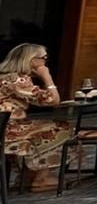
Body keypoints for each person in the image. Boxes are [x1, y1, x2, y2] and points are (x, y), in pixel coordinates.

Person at [0, 43, 71, 188]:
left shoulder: (5, 77)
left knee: (39, 128)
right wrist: (46, 76)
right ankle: (40, 178)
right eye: (43, 58)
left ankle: (27, 176)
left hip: (7, 127)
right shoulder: (18, 80)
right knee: (61, 127)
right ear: (31, 60)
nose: (45, 62)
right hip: (7, 130)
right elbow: (52, 100)